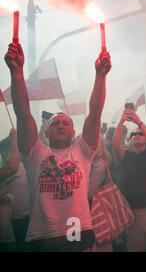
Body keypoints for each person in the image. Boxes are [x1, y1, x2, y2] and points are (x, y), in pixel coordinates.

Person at [4, 41, 111, 251]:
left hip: (78, 238)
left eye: (66, 123)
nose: (60, 125)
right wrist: (16, 72)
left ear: (73, 132)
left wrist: (100, 76)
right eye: (55, 123)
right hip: (43, 240)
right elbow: (23, 114)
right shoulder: (35, 153)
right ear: (46, 131)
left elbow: (95, 112)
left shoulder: (82, 151)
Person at [113, 108, 146, 252]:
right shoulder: (127, 156)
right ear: (130, 139)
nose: (137, 135)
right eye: (134, 133)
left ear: (145, 139)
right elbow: (116, 145)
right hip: (132, 211)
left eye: (140, 134)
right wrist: (122, 121)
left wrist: (139, 122)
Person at [88, 136, 113, 252]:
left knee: (102, 244)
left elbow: (89, 192)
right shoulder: (96, 161)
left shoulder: (99, 163)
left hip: (97, 211)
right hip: (98, 211)